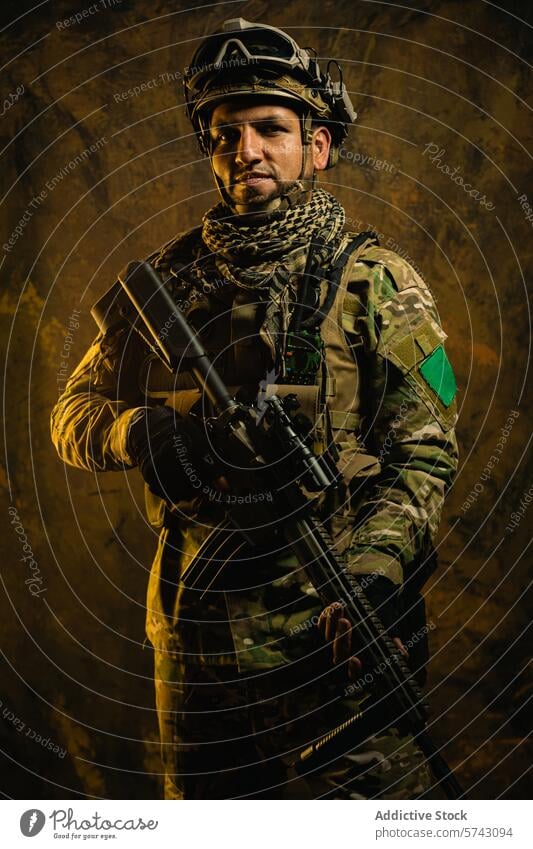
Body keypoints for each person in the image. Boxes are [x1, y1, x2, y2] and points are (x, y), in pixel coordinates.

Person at [51, 18, 459, 799]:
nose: (246, 151)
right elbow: (70, 415)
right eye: (225, 133)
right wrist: (133, 429)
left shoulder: (378, 281)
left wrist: (371, 574)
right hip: (197, 650)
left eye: (270, 129)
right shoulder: (165, 288)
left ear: (319, 145)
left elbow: (425, 452)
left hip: (331, 638)